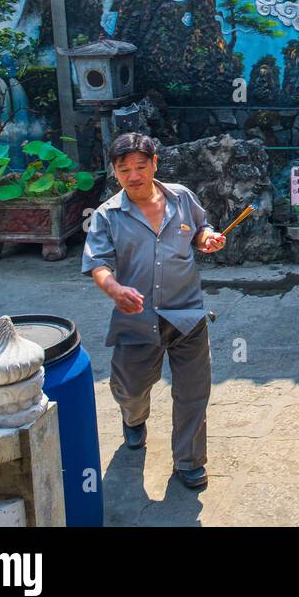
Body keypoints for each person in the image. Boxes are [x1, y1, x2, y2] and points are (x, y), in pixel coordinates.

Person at [82, 132, 225, 489]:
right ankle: (133, 418)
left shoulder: (182, 198)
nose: (134, 175)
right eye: (124, 168)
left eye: (140, 166)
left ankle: (189, 460)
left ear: (155, 164)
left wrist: (206, 238)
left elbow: (200, 228)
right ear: (114, 171)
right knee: (129, 388)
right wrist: (114, 288)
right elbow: (98, 263)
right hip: (136, 318)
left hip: (187, 314)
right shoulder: (107, 215)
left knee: (193, 392)